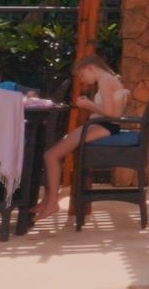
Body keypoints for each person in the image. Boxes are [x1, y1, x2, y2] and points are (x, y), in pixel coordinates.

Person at [34, 55, 129, 222]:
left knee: (50, 155)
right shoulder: (110, 79)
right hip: (103, 125)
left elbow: (110, 112)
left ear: (91, 68)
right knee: (52, 153)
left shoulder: (105, 80)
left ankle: (51, 204)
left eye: (83, 75)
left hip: (104, 126)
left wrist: (88, 105)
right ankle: (46, 201)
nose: (83, 80)